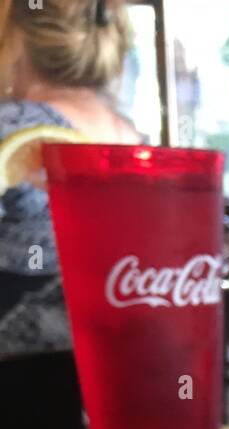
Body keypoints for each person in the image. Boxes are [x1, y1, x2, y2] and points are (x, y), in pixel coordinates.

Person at [0, 0, 137, 355]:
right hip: (106, 355)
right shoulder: (130, 134)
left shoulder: (11, 124)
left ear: (13, 42)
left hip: (20, 367)